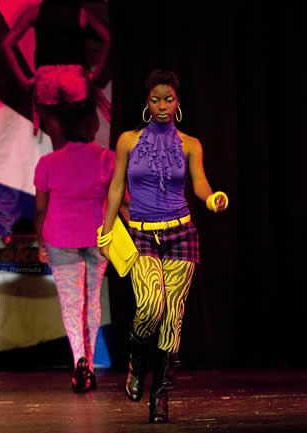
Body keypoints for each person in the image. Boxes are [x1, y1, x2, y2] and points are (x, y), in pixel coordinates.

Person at [99, 70, 228, 423]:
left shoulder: (190, 144)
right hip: (142, 235)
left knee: (172, 319)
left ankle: (160, 395)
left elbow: (200, 183)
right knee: (150, 306)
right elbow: (116, 187)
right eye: (155, 99)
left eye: (168, 99)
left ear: (177, 103)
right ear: (147, 102)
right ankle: (137, 361)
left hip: (181, 235)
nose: (162, 106)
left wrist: (212, 198)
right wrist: (107, 233)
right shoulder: (127, 141)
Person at [34, 100, 123, 392]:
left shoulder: (48, 162)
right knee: (92, 299)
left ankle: (79, 360)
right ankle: (90, 364)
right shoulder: (107, 159)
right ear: (93, 126)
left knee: (72, 302)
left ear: (64, 128)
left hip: (60, 238)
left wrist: (40, 242)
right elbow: (122, 202)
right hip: (99, 237)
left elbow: (40, 209)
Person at [2, 0, 110, 151]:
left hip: (47, 79)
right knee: (80, 136)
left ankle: (61, 163)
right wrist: (96, 74)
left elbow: (7, 44)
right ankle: (79, 164)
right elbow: (107, 38)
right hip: (74, 78)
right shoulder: (81, 14)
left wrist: (23, 79)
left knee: (57, 139)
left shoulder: (35, 12)